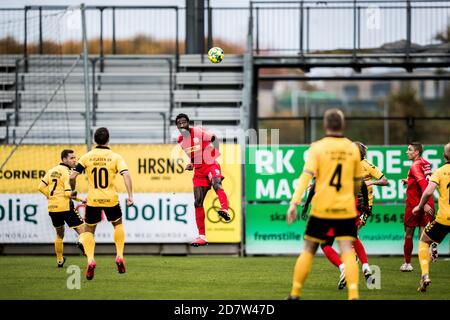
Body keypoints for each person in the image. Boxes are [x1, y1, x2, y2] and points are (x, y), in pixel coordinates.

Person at [287, 108, 362, 300]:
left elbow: (307, 176)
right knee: (346, 250)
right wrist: (348, 199)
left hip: (322, 209)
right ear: (342, 125)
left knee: (309, 249)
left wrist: (295, 202)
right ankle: (353, 295)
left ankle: (295, 294)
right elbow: (357, 184)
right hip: (345, 209)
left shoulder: (317, 147)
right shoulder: (352, 149)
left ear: (325, 125)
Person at [300, 142, 389, 290]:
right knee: (353, 238)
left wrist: (306, 204)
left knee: (325, 243)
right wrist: (366, 205)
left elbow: (316, 185)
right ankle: (365, 266)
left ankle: (344, 268)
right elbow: (361, 183)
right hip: (350, 207)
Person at [70, 127, 134, 280]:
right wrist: (130, 195)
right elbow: (126, 174)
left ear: (94, 140)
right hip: (111, 199)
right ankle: (119, 256)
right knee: (118, 225)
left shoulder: (87, 157)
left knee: (88, 231)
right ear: (108, 139)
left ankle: (91, 260)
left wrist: (73, 191)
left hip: (93, 200)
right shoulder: (115, 157)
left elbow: (72, 176)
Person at [176, 113, 231, 247]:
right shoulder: (181, 140)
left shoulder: (198, 132)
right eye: (179, 123)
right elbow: (194, 154)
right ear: (177, 126)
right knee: (198, 202)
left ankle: (225, 210)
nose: (182, 125)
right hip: (199, 171)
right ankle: (202, 236)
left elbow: (214, 138)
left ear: (188, 123)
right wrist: (192, 163)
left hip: (210, 165)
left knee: (217, 184)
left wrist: (213, 155)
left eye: (184, 122)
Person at [38, 149, 86, 267]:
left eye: (75, 157)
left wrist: (50, 196)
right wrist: (81, 200)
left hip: (53, 208)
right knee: (84, 231)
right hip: (65, 207)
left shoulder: (52, 171)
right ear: (64, 159)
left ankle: (60, 260)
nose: (75, 160)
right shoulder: (67, 172)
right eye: (71, 158)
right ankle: (82, 244)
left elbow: (40, 187)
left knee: (59, 235)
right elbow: (68, 193)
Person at [413, 142, 450, 292]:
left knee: (424, 241)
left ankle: (425, 275)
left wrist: (420, 206)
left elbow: (428, 192)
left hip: (444, 218)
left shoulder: (440, 171)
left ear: (444, 155)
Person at [400, 142, 435, 272]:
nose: (407, 152)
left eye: (409, 150)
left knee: (408, 234)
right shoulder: (425, 163)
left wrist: (422, 204)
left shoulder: (414, 165)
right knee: (422, 236)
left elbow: (423, 185)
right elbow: (426, 180)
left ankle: (407, 264)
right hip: (427, 202)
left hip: (415, 204)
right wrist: (408, 180)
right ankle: (423, 266)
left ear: (417, 152)